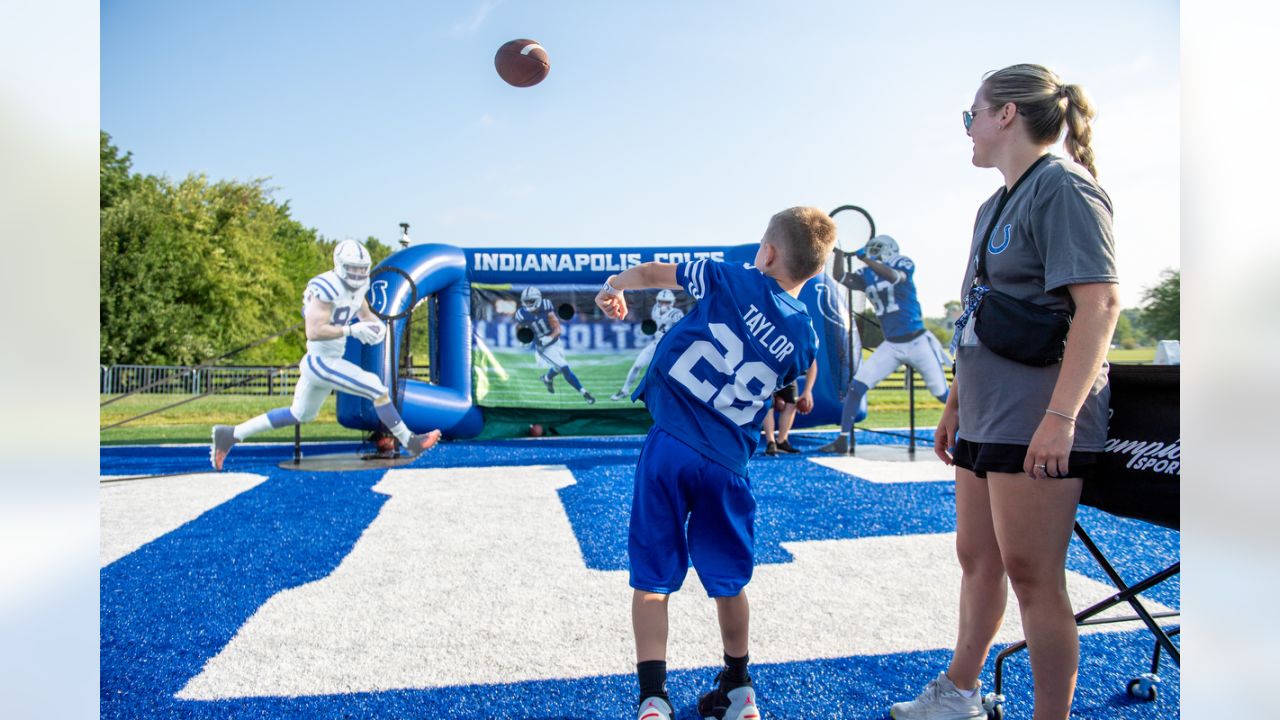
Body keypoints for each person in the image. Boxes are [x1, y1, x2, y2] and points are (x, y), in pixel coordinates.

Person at [889, 64, 1120, 720]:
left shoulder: (1066, 188)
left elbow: (1100, 305)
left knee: (1031, 574)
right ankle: (959, 692)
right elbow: (977, 314)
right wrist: (955, 403)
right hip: (988, 414)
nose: (968, 130)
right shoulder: (993, 204)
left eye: (972, 116)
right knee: (977, 559)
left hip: (1036, 415)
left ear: (1007, 115)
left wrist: (1060, 416)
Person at [595, 207, 836, 720]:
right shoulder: (803, 334)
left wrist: (615, 284)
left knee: (653, 580)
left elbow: (657, 272)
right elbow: (795, 370)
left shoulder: (729, 278)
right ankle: (739, 684)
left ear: (767, 252)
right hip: (728, 462)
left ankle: (653, 698)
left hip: (672, 443)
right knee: (730, 581)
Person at [211, 239, 441, 470]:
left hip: (328, 359)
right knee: (376, 387)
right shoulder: (324, 288)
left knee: (299, 413)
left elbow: (365, 314)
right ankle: (410, 442)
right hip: (321, 361)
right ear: (340, 266)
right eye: (353, 269)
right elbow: (313, 331)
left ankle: (230, 434)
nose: (358, 274)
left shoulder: (358, 287)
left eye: (362, 269)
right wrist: (351, 330)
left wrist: (375, 327)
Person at [819, 235, 952, 454]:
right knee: (856, 387)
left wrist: (867, 260)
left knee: (941, 393)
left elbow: (893, 277)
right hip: (891, 344)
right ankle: (843, 439)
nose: (874, 251)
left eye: (878, 247)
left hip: (918, 341)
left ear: (891, 249)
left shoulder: (902, 262)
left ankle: (970, 430)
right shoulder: (868, 273)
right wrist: (840, 255)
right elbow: (841, 276)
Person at [515, 286, 596, 404]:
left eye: (531, 301)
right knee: (564, 367)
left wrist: (549, 337)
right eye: (526, 301)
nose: (528, 304)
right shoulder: (521, 314)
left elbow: (557, 328)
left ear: (538, 299)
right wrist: (522, 339)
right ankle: (585, 393)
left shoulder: (546, 306)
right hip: (543, 348)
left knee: (558, 368)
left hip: (555, 342)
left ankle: (547, 379)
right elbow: (519, 329)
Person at [611, 288, 686, 400]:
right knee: (637, 365)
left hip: (669, 347)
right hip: (656, 344)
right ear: (657, 301)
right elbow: (656, 327)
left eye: (666, 302)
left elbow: (681, 331)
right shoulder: (655, 309)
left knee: (671, 374)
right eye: (661, 301)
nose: (663, 304)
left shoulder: (676, 314)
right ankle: (625, 390)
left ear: (672, 302)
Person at [760, 360, 817, 455]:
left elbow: (812, 364)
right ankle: (771, 441)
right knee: (769, 403)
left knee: (791, 401)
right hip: (768, 370)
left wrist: (807, 391)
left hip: (787, 374)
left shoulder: (806, 347)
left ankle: (781, 440)